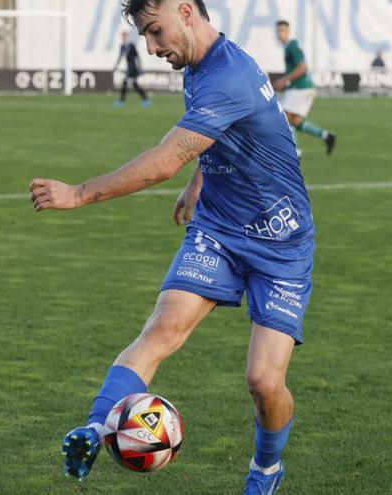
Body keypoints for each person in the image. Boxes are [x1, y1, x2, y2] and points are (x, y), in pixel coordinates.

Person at [32, 1, 314, 493]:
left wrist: (77, 194)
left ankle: (266, 468)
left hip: (280, 241)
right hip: (219, 228)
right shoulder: (200, 64)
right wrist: (200, 182)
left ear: (186, 11)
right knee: (161, 329)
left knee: (264, 383)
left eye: (155, 32)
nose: (152, 47)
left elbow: (165, 161)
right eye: (145, 35)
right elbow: (222, 137)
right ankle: (97, 428)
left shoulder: (228, 74)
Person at [273, 20, 336, 157]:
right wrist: (286, 83)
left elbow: (302, 68)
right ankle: (327, 136)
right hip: (299, 88)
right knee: (294, 121)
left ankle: (295, 152)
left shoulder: (292, 46)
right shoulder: (288, 48)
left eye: (282, 30)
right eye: (277, 31)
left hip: (301, 88)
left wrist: (284, 80)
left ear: (288, 32)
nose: (279, 34)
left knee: (283, 117)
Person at [112, 31, 152, 108]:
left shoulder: (131, 46)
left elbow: (137, 57)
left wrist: (140, 67)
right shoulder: (122, 46)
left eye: (125, 37)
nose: (124, 39)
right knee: (134, 85)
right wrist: (115, 67)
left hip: (133, 68)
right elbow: (120, 57)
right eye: (123, 37)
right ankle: (145, 100)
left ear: (128, 37)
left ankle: (121, 101)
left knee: (126, 84)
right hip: (129, 68)